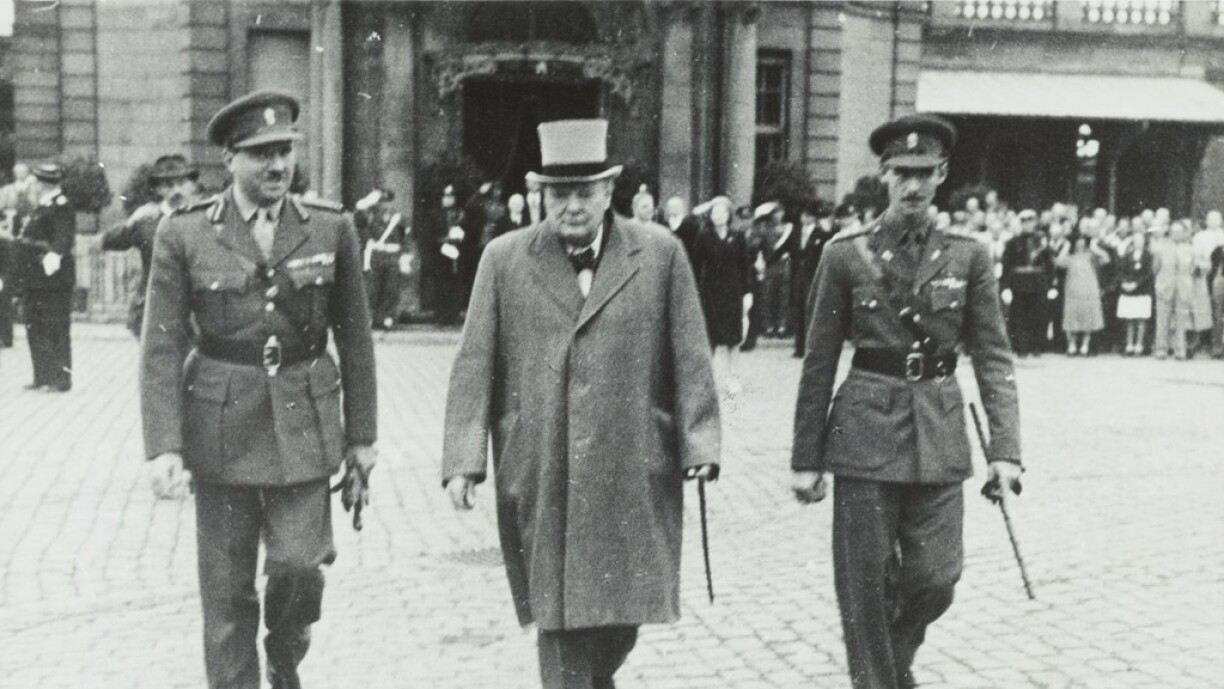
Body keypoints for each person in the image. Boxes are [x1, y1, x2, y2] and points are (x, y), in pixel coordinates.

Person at [442, 119, 720, 689]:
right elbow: (474, 363)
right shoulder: (503, 259)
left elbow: (691, 354)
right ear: (540, 194)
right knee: (560, 621)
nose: (572, 206)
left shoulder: (661, 254)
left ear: (609, 190)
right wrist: (464, 461)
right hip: (543, 465)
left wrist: (700, 443)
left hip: (632, 463)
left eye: (585, 192)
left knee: (620, 619)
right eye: (559, 193)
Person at [140, 91, 377, 689]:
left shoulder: (331, 227)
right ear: (230, 160)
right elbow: (161, 346)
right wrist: (164, 446)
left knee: (299, 565)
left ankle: (285, 650)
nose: (277, 166)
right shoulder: (184, 232)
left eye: (285, 152)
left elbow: (356, 338)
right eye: (261, 154)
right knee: (226, 593)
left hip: (304, 421)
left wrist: (362, 437)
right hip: (219, 426)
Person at [791, 113, 1022, 689]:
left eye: (924, 173)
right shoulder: (846, 255)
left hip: (939, 429)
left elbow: (993, 356)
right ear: (884, 175)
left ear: (942, 174)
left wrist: (1005, 450)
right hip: (864, 431)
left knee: (937, 578)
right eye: (901, 173)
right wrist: (805, 458)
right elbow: (819, 361)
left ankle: (891, 662)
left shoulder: (969, 256)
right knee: (863, 585)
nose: (913, 185)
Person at [102, 154, 201, 337]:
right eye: (169, 185)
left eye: (181, 183)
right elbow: (109, 241)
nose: (176, 191)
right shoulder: (148, 221)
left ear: (192, 185)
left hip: (194, 313)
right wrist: (131, 221)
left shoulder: (202, 220)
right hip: (153, 311)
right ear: (159, 189)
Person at [17, 163, 76, 393]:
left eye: (36, 181)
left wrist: (55, 256)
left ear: (44, 183)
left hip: (53, 279)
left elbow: (63, 237)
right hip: (35, 277)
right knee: (34, 325)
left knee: (55, 325)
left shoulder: (61, 205)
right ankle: (42, 375)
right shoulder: (42, 205)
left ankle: (60, 378)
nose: (33, 184)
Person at [692, 195, 754, 393]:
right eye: (715, 212)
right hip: (711, 294)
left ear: (728, 215)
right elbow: (695, 266)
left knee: (733, 339)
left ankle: (732, 377)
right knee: (709, 338)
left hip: (733, 293)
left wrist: (747, 292)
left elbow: (745, 266)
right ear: (710, 215)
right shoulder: (704, 237)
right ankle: (705, 380)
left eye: (722, 212)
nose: (718, 216)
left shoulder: (738, 237)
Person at [999, 209, 1055, 356]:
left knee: (1038, 315)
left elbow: (1049, 265)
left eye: (1031, 221)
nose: (1028, 224)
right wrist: (1005, 286)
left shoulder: (1042, 243)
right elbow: (1007, 265)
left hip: (1038, 283)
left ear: (1035, 223)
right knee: (1019, 316)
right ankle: (1022, 348)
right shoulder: (1012, 243)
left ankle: (1036, 347)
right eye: (1024, 222)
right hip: (1019, 283)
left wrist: (1051, 285)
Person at [354, 187, 410, 330]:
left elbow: (405, 238)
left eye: (387, 202)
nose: (386, 206)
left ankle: (387, 317)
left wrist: (405, 256)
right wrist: (368, 200)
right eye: (382, 202)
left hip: (392, 254)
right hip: (377, 254)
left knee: (391, 288)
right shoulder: (371, 215)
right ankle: (373, 317)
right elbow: (359, 218)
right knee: (373, 288)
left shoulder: (399, 218)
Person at [787, 200, 834, 358]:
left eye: (808, 215)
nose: (804, 218)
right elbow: (785, 249)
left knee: (811, 311)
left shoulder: (821, 234)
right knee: (798, 310)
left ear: (813, 217)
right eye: (803, 215)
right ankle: (799, 347)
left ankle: (811, 347)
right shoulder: (795, 232)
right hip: (798, 277)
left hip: (812, 276)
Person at [1055, 231, 1109, 356]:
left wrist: (1095, 248)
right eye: (1077, 242)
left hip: (1088, 291)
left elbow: (1106, 259)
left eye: (1082, 242)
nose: (1080, 244)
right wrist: (1066, 247)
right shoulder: (1070, 257)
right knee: (1071, 318)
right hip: (1073, 291)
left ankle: (1085, 345)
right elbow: (1058, 262)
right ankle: (1072, 345)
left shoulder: (1091, 256)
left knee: (1088, 317)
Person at [1151, 220, 1199, 360]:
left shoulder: (1190, 249)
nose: (1176, 234)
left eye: (1179, 231)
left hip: (1183, 286)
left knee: (1181, 320)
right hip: (1165, 285)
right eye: (1174, 231)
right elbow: (1155, 268)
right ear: (1170, 233)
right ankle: (1161, 349)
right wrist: (1161, 282)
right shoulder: (1161, 248)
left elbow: (1193, 269)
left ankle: (1180, 350)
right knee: (1162, 319)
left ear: (1184, 233)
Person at [1116, 230, 1154, 356]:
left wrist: (1136, 284)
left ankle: (1139, 344)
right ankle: (1129, 344)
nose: (1138, 242)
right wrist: (1124, 283)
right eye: (1136, 240)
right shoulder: (1127, 255)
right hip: (1128, 292)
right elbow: (1121, 271)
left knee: (1141, 319)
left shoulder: (1148, 256)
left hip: (1142, 291)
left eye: (1140, 240)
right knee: (1129, 320)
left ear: (1144, 242)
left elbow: (1148, 273)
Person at [663, 195, 700, 260]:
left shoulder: (691, 225)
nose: (672, 209)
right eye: (670, 206)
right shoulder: (663, 225)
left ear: (682, 208)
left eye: (675, 206)